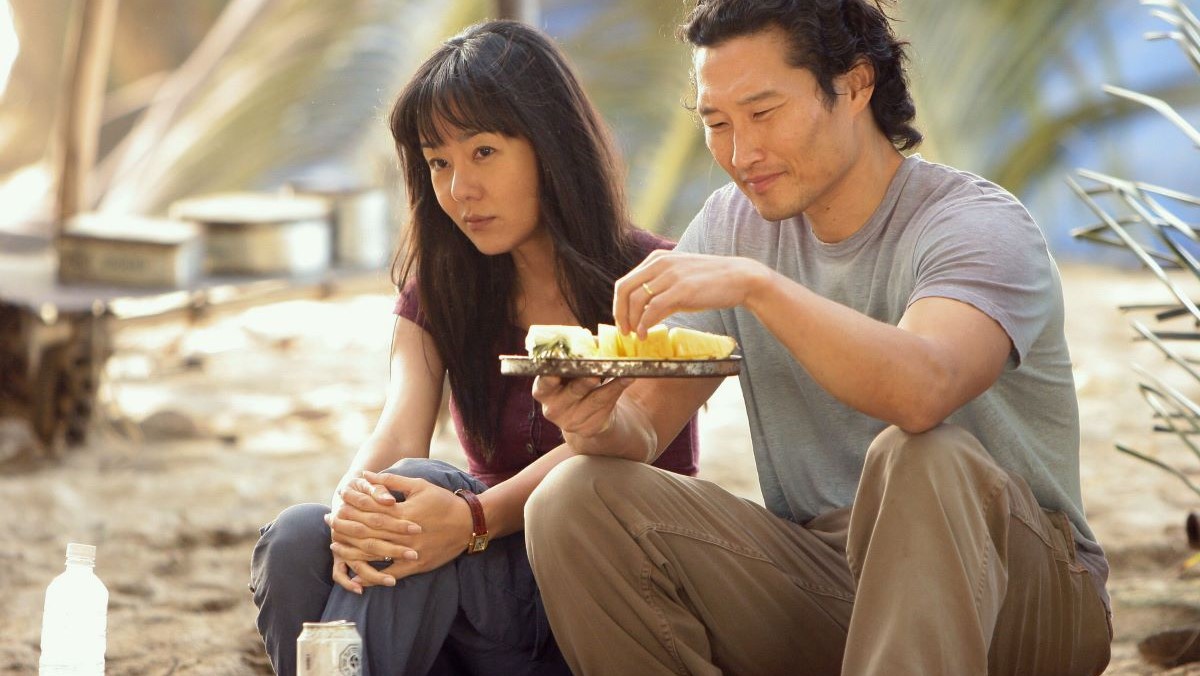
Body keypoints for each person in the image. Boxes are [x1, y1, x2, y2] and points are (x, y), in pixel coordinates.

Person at [525, 1, 1112, 674]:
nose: (740, 154)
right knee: (573, 500)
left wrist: (760, 288)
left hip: (1023, 595)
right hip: (835, 582)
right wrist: (595, 422)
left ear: (856, 86)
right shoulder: (733, 224)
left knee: (923, 456)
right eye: (717, 123)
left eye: (763, 113)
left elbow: (923, 390)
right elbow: (642, 428)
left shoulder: (976, 225)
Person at [249, 20, 700, 676]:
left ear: (550, 145)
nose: (461, 188)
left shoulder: (654, 279)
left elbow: (617, 444)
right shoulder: (441, 288)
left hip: (601, 581)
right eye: (439, 162)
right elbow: (398, 430)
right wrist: (354, 506)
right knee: (298, 539)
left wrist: (470, 518)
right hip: (473, 584)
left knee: (422, 492)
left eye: (483, 152)